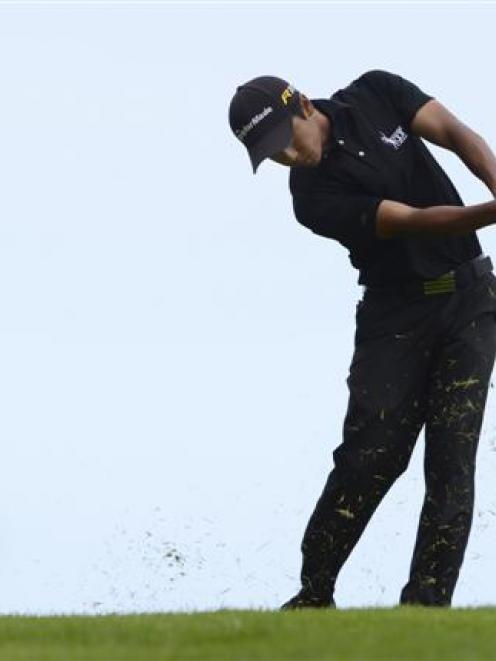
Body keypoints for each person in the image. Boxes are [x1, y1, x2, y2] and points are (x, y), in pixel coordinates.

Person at [228, 70, 496, 608]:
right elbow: (417, 221)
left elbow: (456, 132)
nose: (284, 157)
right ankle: (314, 592)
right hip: (394, 318)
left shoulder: (376, 92)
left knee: (451, 458)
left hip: (470, 303)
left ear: (303, 104)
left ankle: (425, 607)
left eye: (283, 141)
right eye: (269, 154)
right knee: (369, 457)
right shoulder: (311, 198)